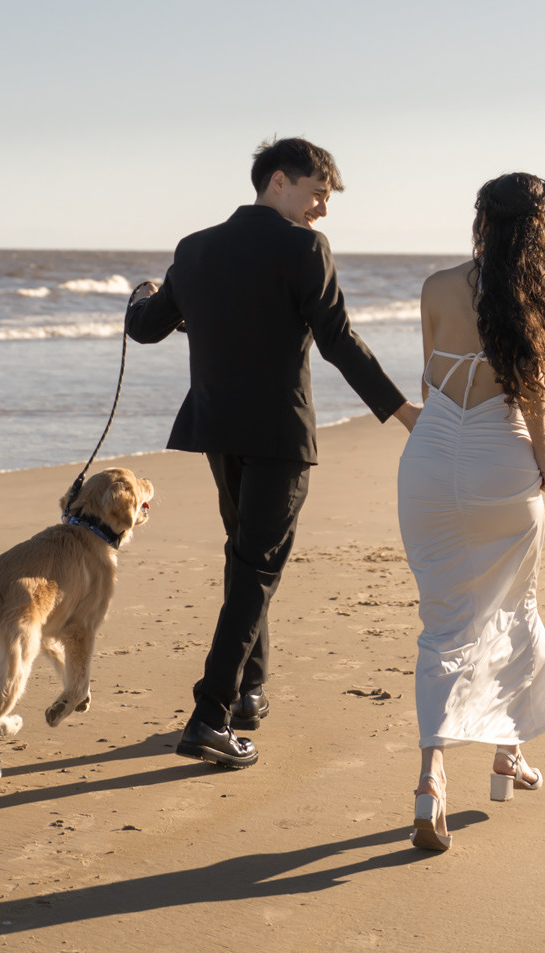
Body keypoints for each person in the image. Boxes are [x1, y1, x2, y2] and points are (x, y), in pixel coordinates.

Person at [124, 136, 420, 768]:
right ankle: (209, 715)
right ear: (278, 181)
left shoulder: (195, 248)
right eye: (317, 194)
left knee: (245, 562)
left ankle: (249, 690)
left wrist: (143, 295)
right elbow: (337, 338)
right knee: (255, 568)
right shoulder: (303, 248)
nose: (322, 209)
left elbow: (146, 328)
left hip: (217, 429)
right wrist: (404, 413)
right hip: (279, 434)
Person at [397, 172, 545, 853]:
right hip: (499, 459)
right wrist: (544, 458)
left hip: (428, 461)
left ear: (480, 219)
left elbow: (429, 378)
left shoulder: (434, 287)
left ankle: (430, 780)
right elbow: (531, 389)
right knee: (515, 606)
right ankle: (506, 753)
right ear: (540, 227)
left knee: (442, 622)